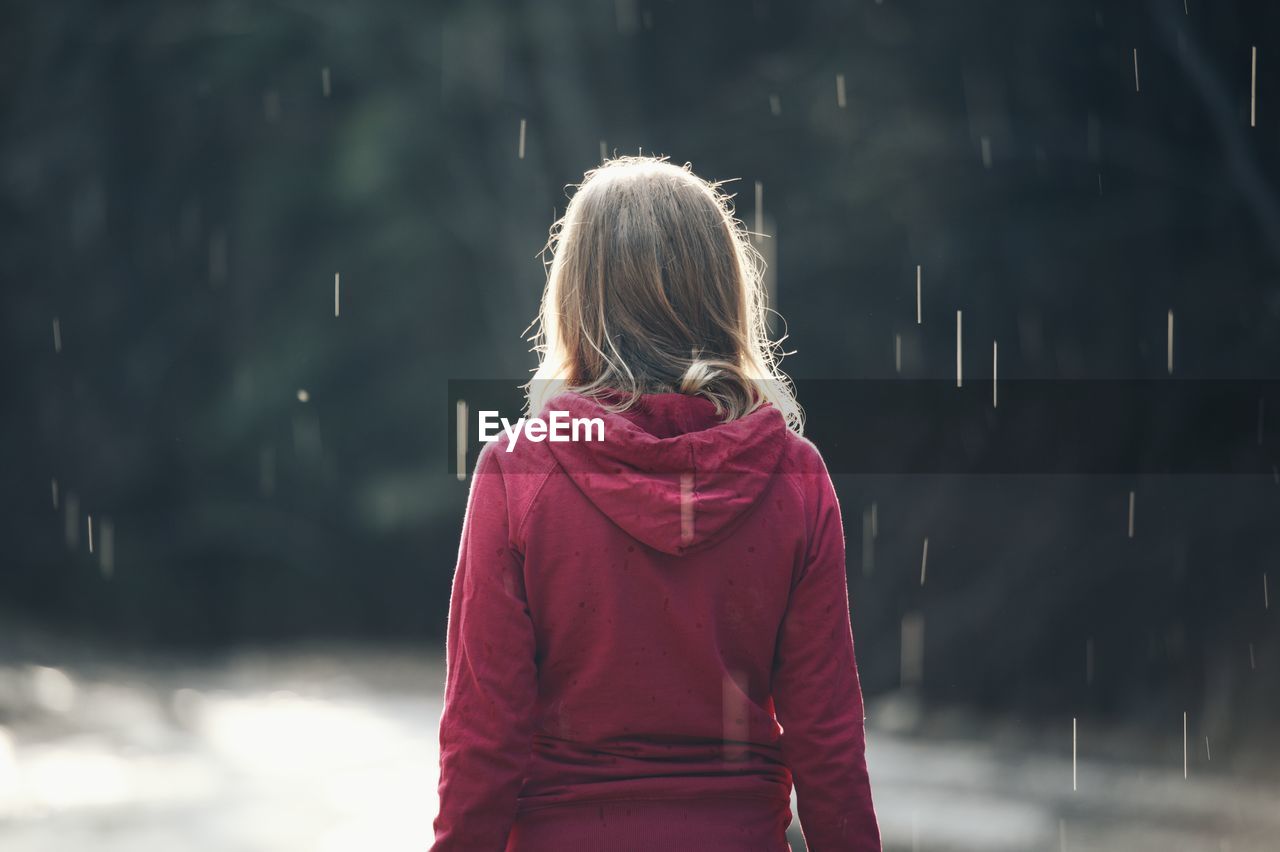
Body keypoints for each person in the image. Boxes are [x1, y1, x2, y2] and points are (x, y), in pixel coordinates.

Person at [430, 156, 881, 851]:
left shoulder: (518, 471)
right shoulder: (794, 476)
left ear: (576, 300)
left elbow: (483, 740)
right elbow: (827, 740)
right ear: (727, 295)